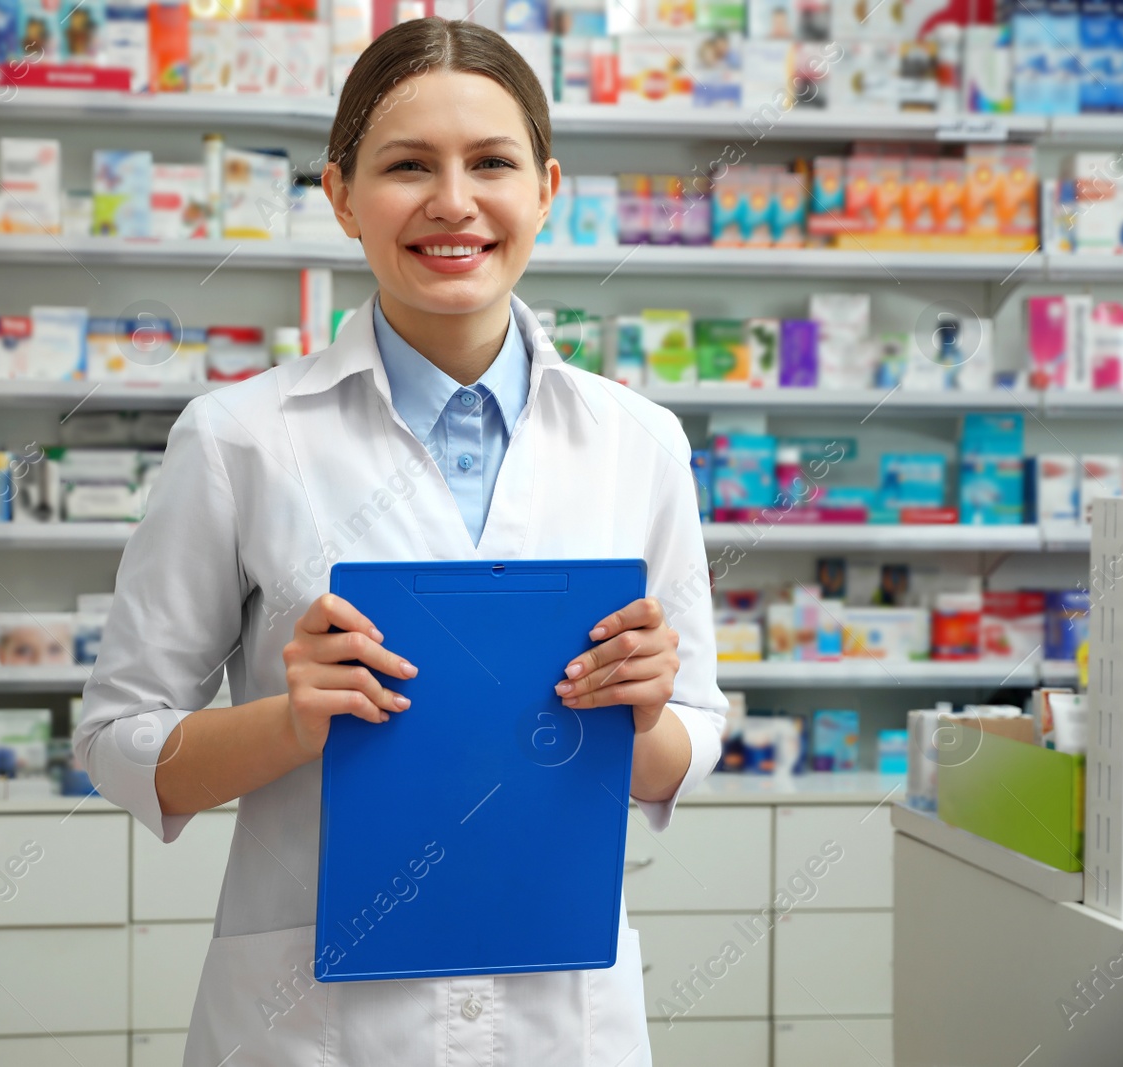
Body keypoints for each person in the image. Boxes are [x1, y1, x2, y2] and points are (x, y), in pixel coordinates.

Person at [74, 17, 726, 1066]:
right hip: (316, 1029)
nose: (453, 202)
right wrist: (290, 721)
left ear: (547, 189)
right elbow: (116, 743)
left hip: (558, 1016)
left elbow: (681, 746)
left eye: (492, 164)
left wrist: (645, 713)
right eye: (407, 165)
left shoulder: (638, 442)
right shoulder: (239, 436)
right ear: (339, 194)